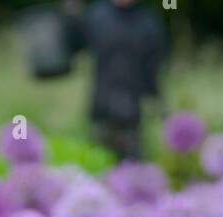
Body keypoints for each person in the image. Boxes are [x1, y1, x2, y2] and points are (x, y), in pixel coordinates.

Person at [65, 0, 168, 160]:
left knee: (132, 168)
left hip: (132, 114)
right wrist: (71, 15)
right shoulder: (97, 15)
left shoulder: (148, 21)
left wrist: (159, 105)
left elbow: (153, 70)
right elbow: (74, 44)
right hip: (101, 109)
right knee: (97, 168)